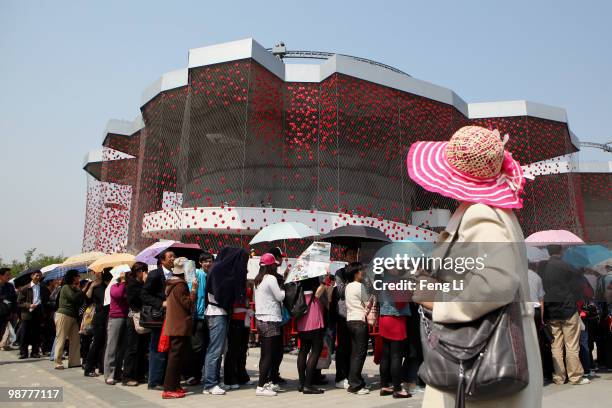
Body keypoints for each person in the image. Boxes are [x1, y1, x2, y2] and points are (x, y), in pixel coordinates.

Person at [406, 125, 544, 407]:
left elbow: (496, 281)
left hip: (480, 356)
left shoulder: (480, 213)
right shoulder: (493, 211)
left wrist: (441, 302)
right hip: (487, 348)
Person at [202, 247, 248, 395]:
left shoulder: (220, 270)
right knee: (215, 350)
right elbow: (219, 294)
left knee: (219, 349)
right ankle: (210, 384)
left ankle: (213, 381)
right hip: (217, 313)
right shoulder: (218, 271)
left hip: (220, 313)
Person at [542, 244, 590, 385]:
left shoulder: (542, 268)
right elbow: (578, 286)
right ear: (561, 251)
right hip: (568, 308)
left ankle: (559, 377)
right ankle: (575, 376)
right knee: (572, 345)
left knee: (555, 345)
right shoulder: (566, 266)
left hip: (552, 311)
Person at [161, 257, 197, 399]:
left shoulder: (172, 283)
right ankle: (169, 388)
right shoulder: (180, 284)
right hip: (179, 324)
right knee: (175, 357)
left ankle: (175, 385)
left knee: (177, 356)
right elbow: (188, 304)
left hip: (175, 324)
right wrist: (194, 290)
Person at [142, 250, 175, 390]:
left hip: (172, 317)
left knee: (167, 349)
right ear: (162, 260)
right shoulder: (155, 274)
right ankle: (154, 381)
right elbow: (144, 294)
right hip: (158, 317)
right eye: (170, 257)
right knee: (157, 348)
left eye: (174, 256)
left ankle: (162, 379)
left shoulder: (175, 275)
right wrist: (160, 303)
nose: (173, 259)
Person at [253, 253, 285, 397]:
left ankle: (264, 382)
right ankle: (260, 386)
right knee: (268, 355)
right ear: (272, 265)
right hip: (270, 319)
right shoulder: (271, 278)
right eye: (275, 265)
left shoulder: (258, 279)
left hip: (261, 319)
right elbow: (279, 296)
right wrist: (285, 289)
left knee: (265, 354)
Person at [378, 270, 411, 399]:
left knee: (386, 355)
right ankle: (397, 389)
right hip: (395, 320)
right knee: (397, 356)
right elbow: (400, 303)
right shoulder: (395, 281)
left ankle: (384, 385)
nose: (400, 267)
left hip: (384, 319)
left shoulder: (381, 280)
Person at [295, 276, 329, 394]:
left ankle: (301, 383)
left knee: (303, 350)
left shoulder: (299, 282)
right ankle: (308, 385)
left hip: (302, 322)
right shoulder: (315, 282)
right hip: (314, 321)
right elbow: (321, 297)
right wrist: (324, 283)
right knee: (315, 351)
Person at [332, 247, 358, 390]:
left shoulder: (360, 270)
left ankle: (352, 375)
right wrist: (352, 280)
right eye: (350, 254)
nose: (353, 256)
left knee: (355, 348)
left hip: (357, 314)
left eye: (354, 253)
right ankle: (340, 377)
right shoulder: (340, 272)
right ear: (345, 256)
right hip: (343, 314)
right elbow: (340, 292)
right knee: (343, 347)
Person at [185, 251, 213, 385]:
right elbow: (193, 292)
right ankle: (192, 375)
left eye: (210, 260)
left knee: (205, 347)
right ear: (200, 263)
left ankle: (199, 373)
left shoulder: (211, 275)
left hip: (209, 315)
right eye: (205, 261)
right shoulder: (198, 274)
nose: (208, 263)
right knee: (197, 347)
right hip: (199, 315)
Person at [344, 262, 370, 395]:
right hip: (360, 321)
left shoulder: (348, 286)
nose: (363, 273)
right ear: (356, 273)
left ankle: (354, 380)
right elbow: (368, 303)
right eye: (361, 271)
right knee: (360, 353)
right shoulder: (360, 287)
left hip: (350, 320)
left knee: (354, 353)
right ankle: (355, 385)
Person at [122, 262, 149, 386]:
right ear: (139, 272)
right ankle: (127, 377)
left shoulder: (142, 284)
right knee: (132, 347)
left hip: (143, 317)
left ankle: (139, 374)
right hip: (134, 318)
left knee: (142, 347)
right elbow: (137, 299)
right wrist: (145, 284)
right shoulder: (132, 284)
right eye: (144, 271)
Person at [224, 280, 253, 389]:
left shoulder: (246, 283)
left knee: (243, 349)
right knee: (233, 350)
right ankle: (230, 378)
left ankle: (242, 375)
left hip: (244, 318)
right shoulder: (232, 283)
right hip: (235, 319)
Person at [53, 269, 84, 369]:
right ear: (72, 277)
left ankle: (74, 361)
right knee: (61, 338)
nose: (79, 278)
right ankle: (58, 361)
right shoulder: (66, 287)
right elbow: (73, 298)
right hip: (64, 315)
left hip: (73, 316)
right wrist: (81, 291)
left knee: (75, 339)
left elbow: (79, 301)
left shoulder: (76, 289)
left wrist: (79, 290)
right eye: (77, 276)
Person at [84, 269, 112, 377]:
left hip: (106, 319)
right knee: (96, 344)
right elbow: (104, 302)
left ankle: (101, 367)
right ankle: (89, 368)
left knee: (103, 345)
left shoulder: (106, 287)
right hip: (99, 320)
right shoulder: (99, 288)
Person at [17, 270, 50, 359]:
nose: (38, 277)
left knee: (36, 333)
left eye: (40, 276)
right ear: (32, 276)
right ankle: (23, 353)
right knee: (24, 334)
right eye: (36, 275)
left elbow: (47, 300)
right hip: (27, 313)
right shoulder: (25, 288)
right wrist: (29, 305)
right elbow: (19, 302)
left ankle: (35, 352)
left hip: (38, 312)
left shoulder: (43, 288)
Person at [104, 269, 129, 385]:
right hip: (115, 318)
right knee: (112, 347)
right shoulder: (114, 286)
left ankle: (117, 373)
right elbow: (118, 295)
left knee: (122, 348)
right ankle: (109, 374)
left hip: (125, 317)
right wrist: (123, 282)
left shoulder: (125, 286)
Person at [0, 268, 17, 351]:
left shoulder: (10, 286)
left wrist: (14, 312)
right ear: (1, 276)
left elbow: (14, 299)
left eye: (10, 274)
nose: (9, 276)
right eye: (7, 274)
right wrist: (4, 299)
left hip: (6, 314)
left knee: (1, 333)